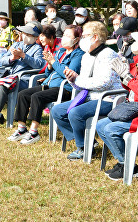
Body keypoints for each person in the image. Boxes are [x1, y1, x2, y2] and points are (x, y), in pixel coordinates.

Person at [50, 21, 122, 160]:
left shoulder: (108, 54)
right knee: (57, 111)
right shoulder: (86, 56)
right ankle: (88, 141)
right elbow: (81, 83)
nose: (82, 39)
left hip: (108, 99)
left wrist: (78, 80)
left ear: (95, 37)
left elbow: (104, 83)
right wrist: (72, 79)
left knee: (75, 113)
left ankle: (84, 148)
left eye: (85, 36)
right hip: (90, 97)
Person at [9, 25, 84, 144]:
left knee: (37, 96)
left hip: (65, 88)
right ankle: (21, 129)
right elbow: (48, 72)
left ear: (76, 39)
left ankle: (33, 132)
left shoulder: (78, 54)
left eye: (68, 36)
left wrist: (54, 62)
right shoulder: (61, 51)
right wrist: (50, 65)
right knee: (23, 94)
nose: (64, 38)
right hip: (50, 84)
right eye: (64, 35)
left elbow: (68, 74)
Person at [96, 26, 138, 180]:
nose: (133, 42)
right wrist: (124, 75)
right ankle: (123, 161)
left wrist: (128, 77)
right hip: (134, 109)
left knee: (111, 129)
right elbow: (130, 87)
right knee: (101, 126)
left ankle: (129, 167)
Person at [0, 22, 46, 131]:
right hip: (8, 78)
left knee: (3, 87)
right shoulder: (17, 44)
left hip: (23, 81)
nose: (24, 36)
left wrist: (24, 56)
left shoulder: (37, 49)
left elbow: (39, 64)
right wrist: (12, 58)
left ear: (35, 37)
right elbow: (1, 61)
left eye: (28, 34)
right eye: (24, 33)